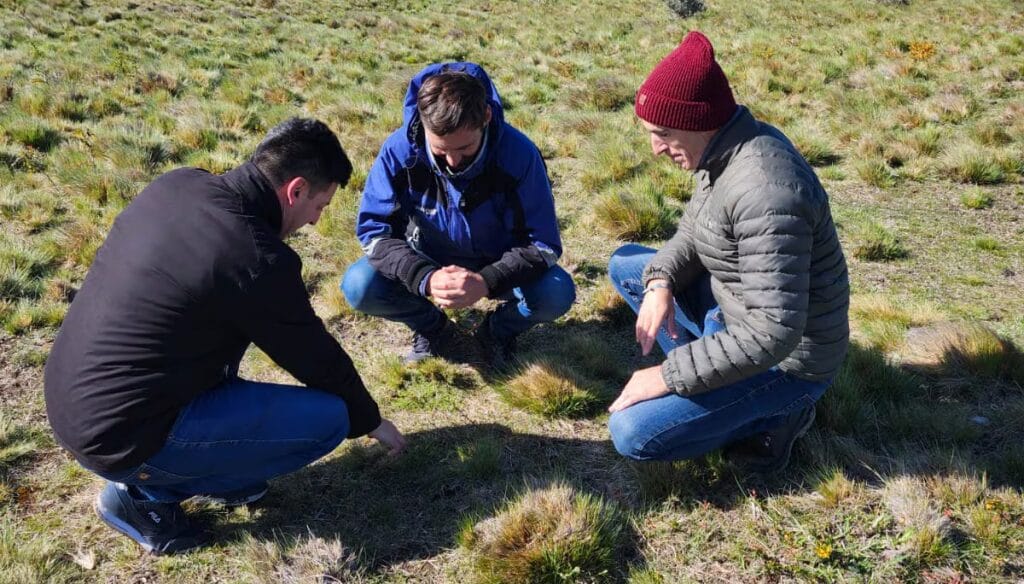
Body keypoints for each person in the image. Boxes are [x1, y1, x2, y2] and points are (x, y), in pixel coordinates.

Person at [44, 118, 406, 555]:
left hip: (71, 400)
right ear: (295, 190)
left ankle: (210, 470)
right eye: (320, 205)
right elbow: (315, 358)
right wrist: (371, 421)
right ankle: (144, 496)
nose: (315, 221)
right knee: (331, 418)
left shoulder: (178, 184)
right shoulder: (254, 257)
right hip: (122, 437)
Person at [606, 32, 849, 473]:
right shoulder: (722, 152)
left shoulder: (765, 191)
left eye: (663, 134)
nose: (655, 149)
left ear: (698, 122)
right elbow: (692, 232)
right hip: (736, 309)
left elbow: (774, 332)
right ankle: (712, 368)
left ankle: (781, 415)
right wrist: (660, 283)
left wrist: (667, 375)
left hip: (788, 364)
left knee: (632, 431)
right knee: (629, 266)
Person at [341, 62, 575, 366]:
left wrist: (487, 280)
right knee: (360, 285)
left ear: (486, 117)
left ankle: (496, 332)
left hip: (500, 261)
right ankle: (433, 330)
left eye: (465, 148)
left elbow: (544, 245)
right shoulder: (399, 151)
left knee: (556, 292)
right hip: (426, 257)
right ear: (423, 123)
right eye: (440, 150)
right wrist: (425, 277)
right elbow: (375, 232)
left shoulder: (519, 155)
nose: (452, 161)